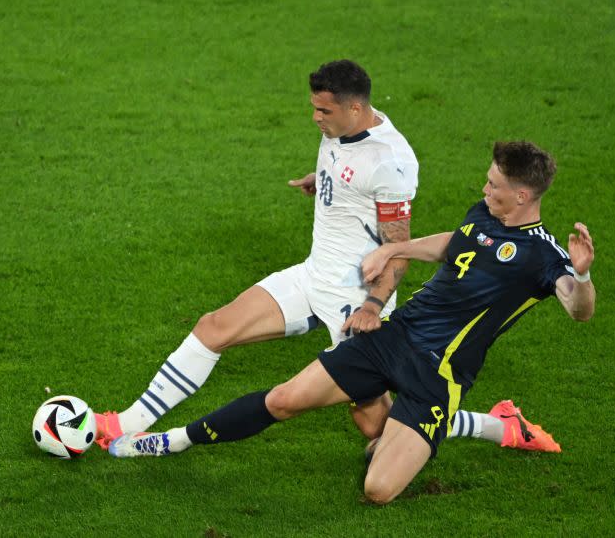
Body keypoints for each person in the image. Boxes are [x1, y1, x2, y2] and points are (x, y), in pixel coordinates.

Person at [108, 141, 596, 505]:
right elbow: (459, 241)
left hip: (440, 373)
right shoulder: (485, 213)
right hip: (393, 336)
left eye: (494, 184)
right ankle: (169, 442)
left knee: (378, 488)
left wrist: (583, 274)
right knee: (283, 399)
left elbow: (577, 308)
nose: (485, 188)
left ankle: (491, 424)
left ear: (524, 194)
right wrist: (396, 247)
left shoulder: (543, 256)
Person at [92, 59, 420, 448]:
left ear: (354, 108)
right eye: (314, 107)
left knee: (375, 425)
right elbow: (350, 170)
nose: (315, 117)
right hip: (313, 276)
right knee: (214, 328)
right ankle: (126, 423)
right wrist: (326, 181)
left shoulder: (390, 162)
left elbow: (398, 252)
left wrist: (372, 306)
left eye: (323, 110)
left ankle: (492, 426)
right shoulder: (343, 125)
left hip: (356, 301)